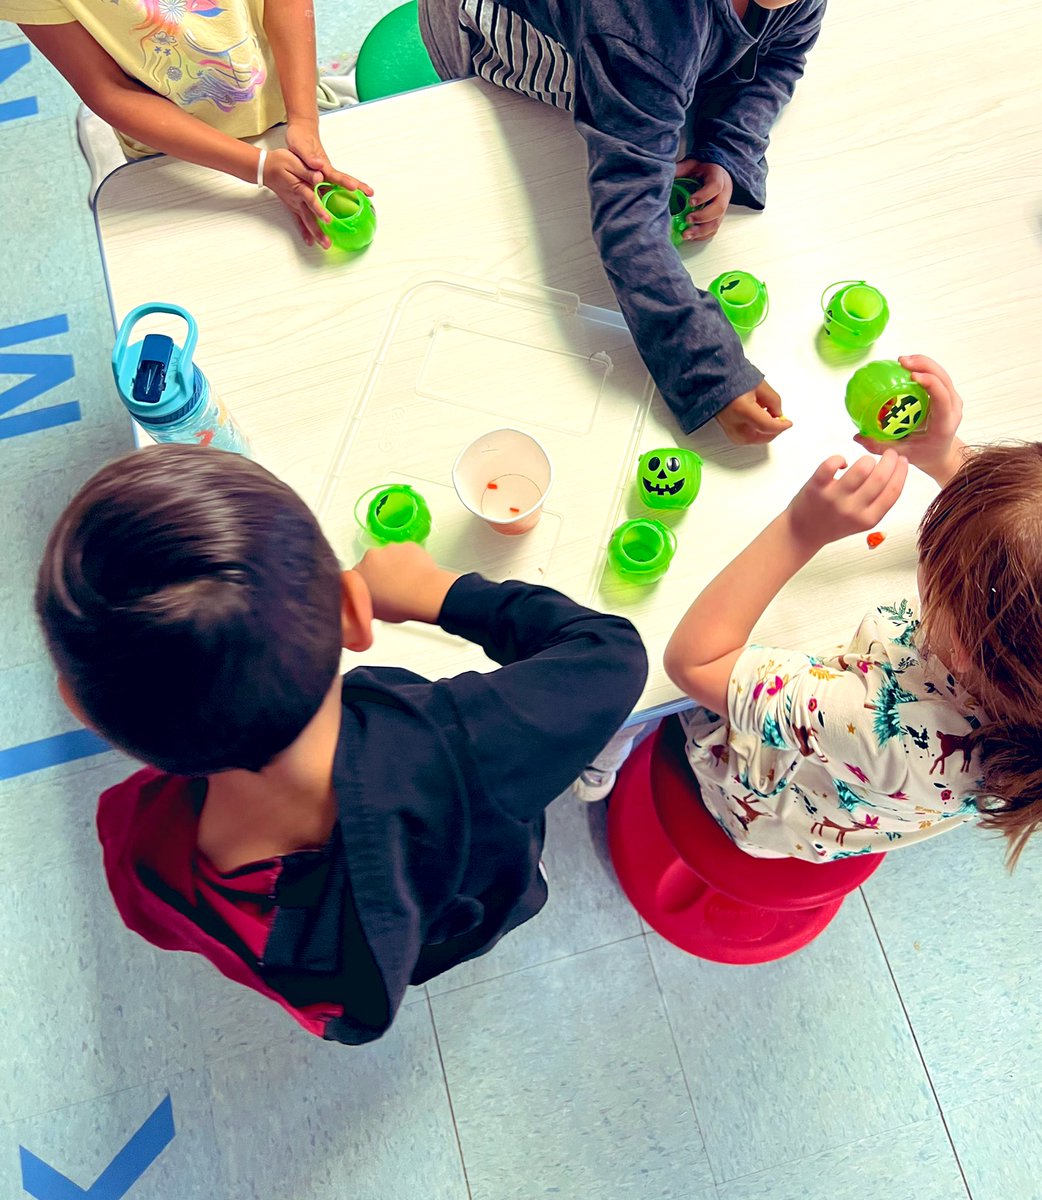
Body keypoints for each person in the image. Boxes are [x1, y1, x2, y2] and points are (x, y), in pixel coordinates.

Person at [35, 445, 647, 1044]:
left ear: (85, 712)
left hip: (363, 966)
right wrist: (442, 592)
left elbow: (166, 925)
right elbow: (611, 655)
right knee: (493, 883)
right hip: (473, 890)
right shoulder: (462, 747)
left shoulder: (138, 847)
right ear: (355, 615)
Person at [663, 357, 1042, 865]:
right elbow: (1018, 544)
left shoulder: (876, 723)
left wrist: (800, 531)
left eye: (936, 553)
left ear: (961, 644)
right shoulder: (1020, 690)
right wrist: (945, 454)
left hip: (760, 801)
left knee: (656, 699)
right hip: (864, 798)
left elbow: (694, 664)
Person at [418, 0, 826, 444]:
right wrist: (710, 372)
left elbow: (781, 53)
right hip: (502, 31)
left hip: (637, 51)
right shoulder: (639, 22)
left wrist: (727, 146)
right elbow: (628, 215)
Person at [1, 0, 368, 247]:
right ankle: (99, 144)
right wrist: (256, 166)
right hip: (169, 145)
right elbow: (106, 87)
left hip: (276, 99)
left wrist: (303, 117)